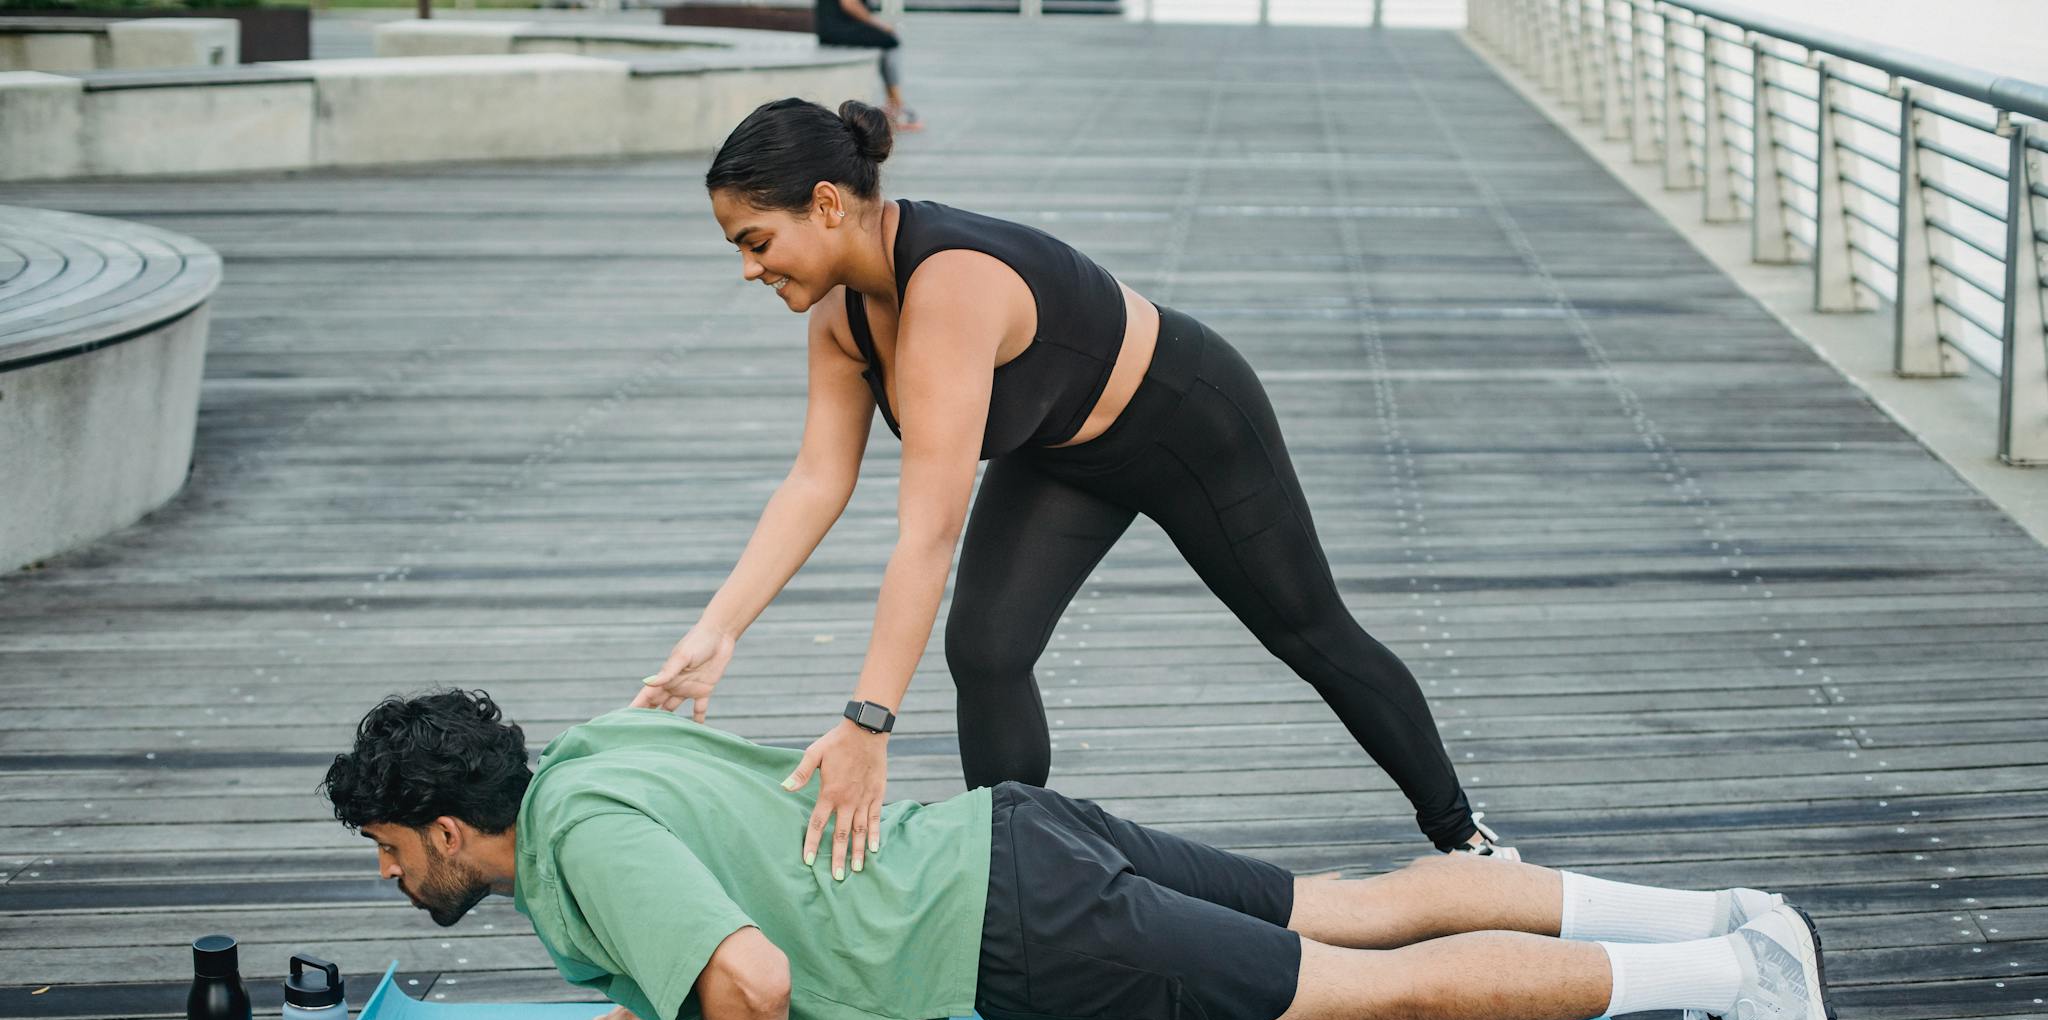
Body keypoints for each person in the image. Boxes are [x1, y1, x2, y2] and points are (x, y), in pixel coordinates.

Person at [320, 690, 1845, 1020]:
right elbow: (724, 879)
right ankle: (1721, 921)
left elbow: (761, 978)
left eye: (391, 852)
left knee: (1365, 1001)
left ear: (451, 830)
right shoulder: (588, 758)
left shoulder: (577, 836)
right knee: (1366, 904)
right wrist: (665, 988)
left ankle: (1732, 976)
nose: (394, 879)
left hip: (1023, 925)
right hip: (1016, 834)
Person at [632, 97, 1514, 886]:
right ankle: (1024, 878)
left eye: (756, 242)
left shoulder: (951, 284)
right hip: (1062, 451)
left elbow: (928, 533)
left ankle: (1467, 841)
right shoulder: (841, 319)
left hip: (1186, 421)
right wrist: (718, 629)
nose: (749, 268)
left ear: (826, 204)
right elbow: (816, 480)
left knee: (1310, 633)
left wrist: (867, 724)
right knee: (985, 650)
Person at [814, 0, 920, 131]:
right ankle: (897, 106)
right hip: (839, 28)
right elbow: (849, 3)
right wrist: (878, 24)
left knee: (887, 40)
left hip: (831, 28)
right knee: (890, 41)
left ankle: (895, 104)